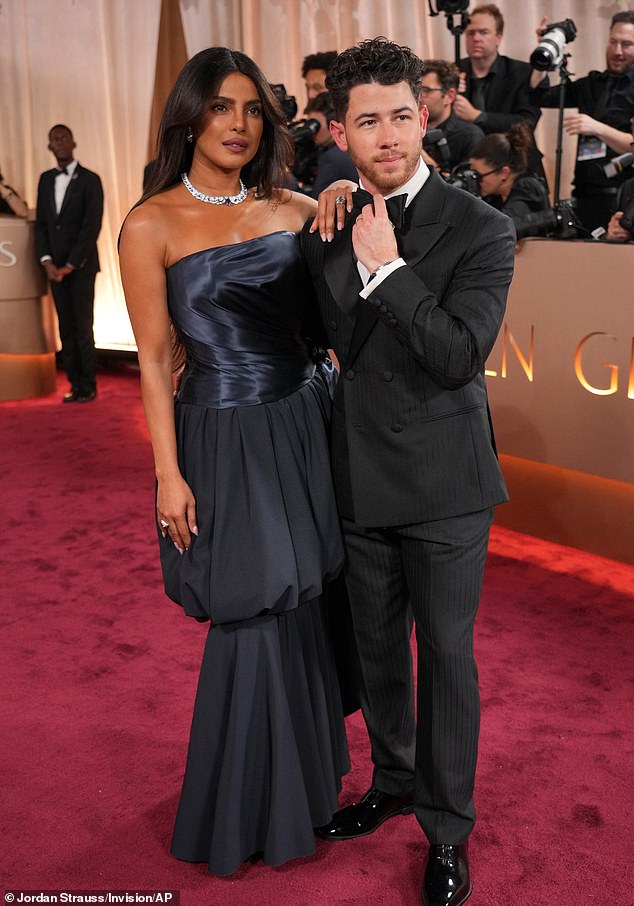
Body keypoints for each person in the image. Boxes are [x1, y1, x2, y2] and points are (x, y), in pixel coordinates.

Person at [118, 46, 349, 877]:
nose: (239, 125)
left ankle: (306, 788)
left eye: (253, 109)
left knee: (301, 598)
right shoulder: (151, 222)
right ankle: (238, 809)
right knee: (251, 603)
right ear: (190, 116)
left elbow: (327, 320)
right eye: (221, 107)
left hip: (300, 419)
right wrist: (167, 474)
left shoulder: (295, 207)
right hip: (221, 430)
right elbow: (151, 359)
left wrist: (343, 196)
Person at [302, 37, 515, 906]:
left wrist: (386, 267)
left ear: (422, 118)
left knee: (448, 660)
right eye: (367, 122)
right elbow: (334, 348)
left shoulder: (482, 228)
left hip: (448, 483)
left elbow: (458, 354)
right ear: (341, 132)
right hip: (360, 471)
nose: (387, 135)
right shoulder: (330, 219)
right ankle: (391, 782)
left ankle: (447, 827)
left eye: (400, 116)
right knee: (379, 647)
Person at [529, 11, 634, 232]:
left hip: (625, 201)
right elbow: (539, 96)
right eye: (613, 42)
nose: (617, 51)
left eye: (627, 45)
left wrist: (597, 128)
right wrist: (545, 55)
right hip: (585, 195)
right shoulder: (593, 83)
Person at [35, 125, 103, 403]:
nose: (60, 143)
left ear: (73, 142)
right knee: (65, 327)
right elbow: (41, 225)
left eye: (63, 137)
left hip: (82, 266)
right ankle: (75, 384)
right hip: (54, 269)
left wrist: (71, 264)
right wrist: (48, 261)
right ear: (50, 147)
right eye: (54, 139)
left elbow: (92, 226)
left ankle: (89, 385)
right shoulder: (45, 179)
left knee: (83, 326)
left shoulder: (91, 180)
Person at [455, 3, 546, 182]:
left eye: (484, 32)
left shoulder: (522, 73)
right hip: (473, 173)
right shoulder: (455, 71)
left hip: (517, 172)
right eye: (471, 33)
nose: (476, 38)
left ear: (499, 37)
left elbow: (526, 123)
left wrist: (478, 116)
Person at [469, 122, 551, 230]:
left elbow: (504, 227)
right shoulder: (495, 195)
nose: (476, 181)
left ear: (504, 173)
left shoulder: (527, 189)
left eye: (479, 176)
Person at [420, 60, 484, 173]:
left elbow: (466, 188)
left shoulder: (470, 136)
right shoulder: (408, 130)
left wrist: (423, 159)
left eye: (426, 90)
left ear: (450, 96)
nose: (419, 97)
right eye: (416, 90)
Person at [304, 91, 358, 195]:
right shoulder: (354, 149)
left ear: (332, 126)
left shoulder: (332, 158)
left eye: (315, 125)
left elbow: (316, 202)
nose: (312, 132)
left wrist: (289, 182)